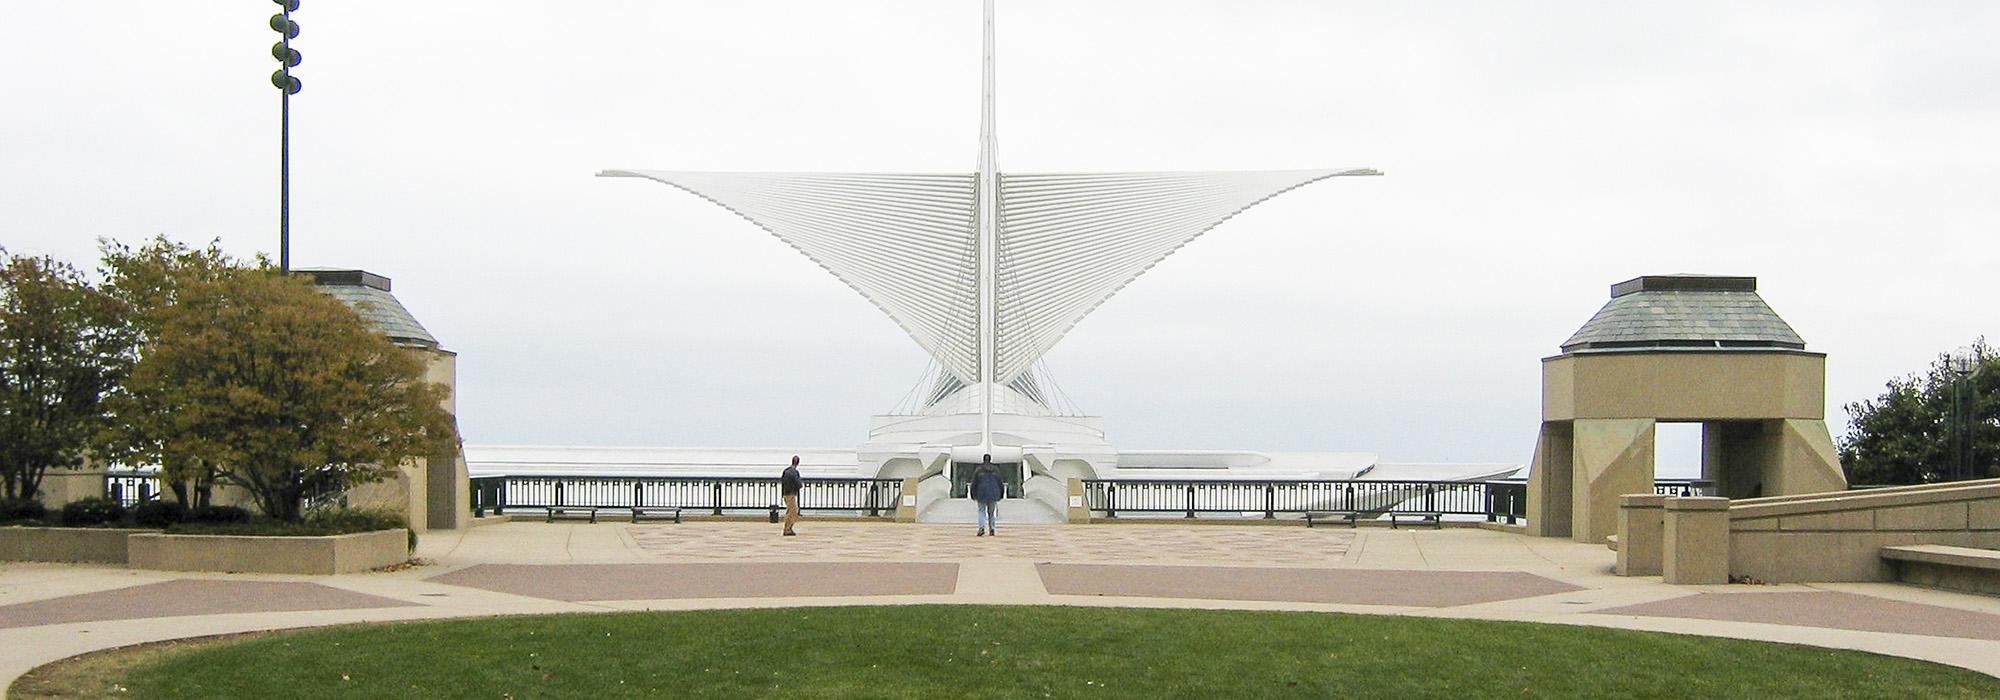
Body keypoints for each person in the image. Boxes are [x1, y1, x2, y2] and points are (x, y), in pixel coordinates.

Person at [971, 454, 1003, 537]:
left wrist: (973, 493)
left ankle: (981, 528)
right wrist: (1001, 493)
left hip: (981, 493)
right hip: (993, 493)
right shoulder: (996, 470)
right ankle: (992, 528)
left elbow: (974, 483)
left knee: (981, 511)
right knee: (991, 512)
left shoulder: (979, 470)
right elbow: (1000, 483)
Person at [780, 455, 803, 536]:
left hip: (785, 493)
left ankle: (788, 528)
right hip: (791, 493)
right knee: (793, 511)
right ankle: (787, 528)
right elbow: (799, 484)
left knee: (790, 511)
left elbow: (782, 482)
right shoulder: (794, 472)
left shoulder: (786, 471)